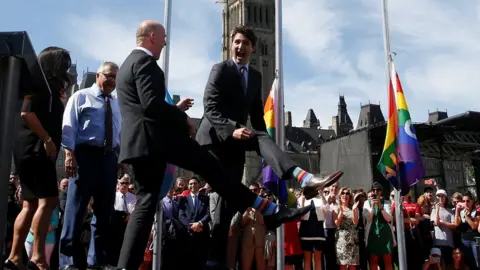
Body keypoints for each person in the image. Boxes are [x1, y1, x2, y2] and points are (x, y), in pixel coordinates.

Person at [114, 20, 312, 270]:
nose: (165, 42)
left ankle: (124, 266)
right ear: (152, 37)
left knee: (145, 204)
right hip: (157, 142)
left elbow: (144, 106)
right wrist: (182, 118)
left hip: (139, 145)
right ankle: (267, 208)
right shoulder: (146, 63)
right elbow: (152, 105)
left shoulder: (126, 66)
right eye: (163, 37)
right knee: (212, 169)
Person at [196, 25, 342, 269]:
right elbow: (209, 107)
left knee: (225, 206)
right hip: (214, 140)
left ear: (254, 47)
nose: (240, 47)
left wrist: (267, 146)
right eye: (237, 42)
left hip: (237, 141)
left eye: (245, 43)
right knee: (228, 192)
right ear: (231, 44)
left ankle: (304, 178)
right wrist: (232, 128)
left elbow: (257, 117)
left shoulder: (255, 77)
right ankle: (272, 210)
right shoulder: (220, 69)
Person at [5, 47, 71, 270]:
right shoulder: (39, 84)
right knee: (48, 201)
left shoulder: (48, 88)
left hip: (29, 149)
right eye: (65, 63)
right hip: (35, 149)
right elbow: (27, 112)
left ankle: (15, 257)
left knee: (30, 204)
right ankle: (37, 256)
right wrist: (47, 140)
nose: (67, 68)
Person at [59, 61, 121, 269]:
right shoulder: (80, 96)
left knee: (104, 213)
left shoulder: (116, 103)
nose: (112, 80)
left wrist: (119, 160)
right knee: (75, 211)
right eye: (108, 76)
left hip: (109, 159)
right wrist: (70, 155)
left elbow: (118, 134)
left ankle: (97, 261)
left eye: (115, 78)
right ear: (98, 76)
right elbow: (69, 128)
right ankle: (68, 261)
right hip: (85, 157)